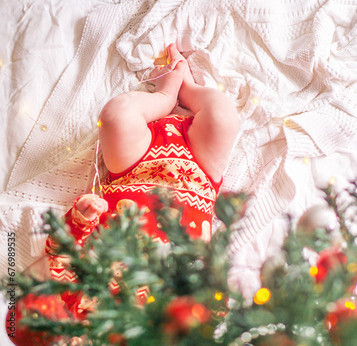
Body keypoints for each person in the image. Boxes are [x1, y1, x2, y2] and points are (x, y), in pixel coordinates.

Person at [45, 43, 239, 283]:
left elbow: (60, 262)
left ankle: (164, 97)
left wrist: (80, 220)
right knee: (223, 116)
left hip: (132, 170)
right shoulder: (190, 315)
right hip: (199, 177)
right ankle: (187, 90)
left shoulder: (92, 308)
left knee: (115, 116)